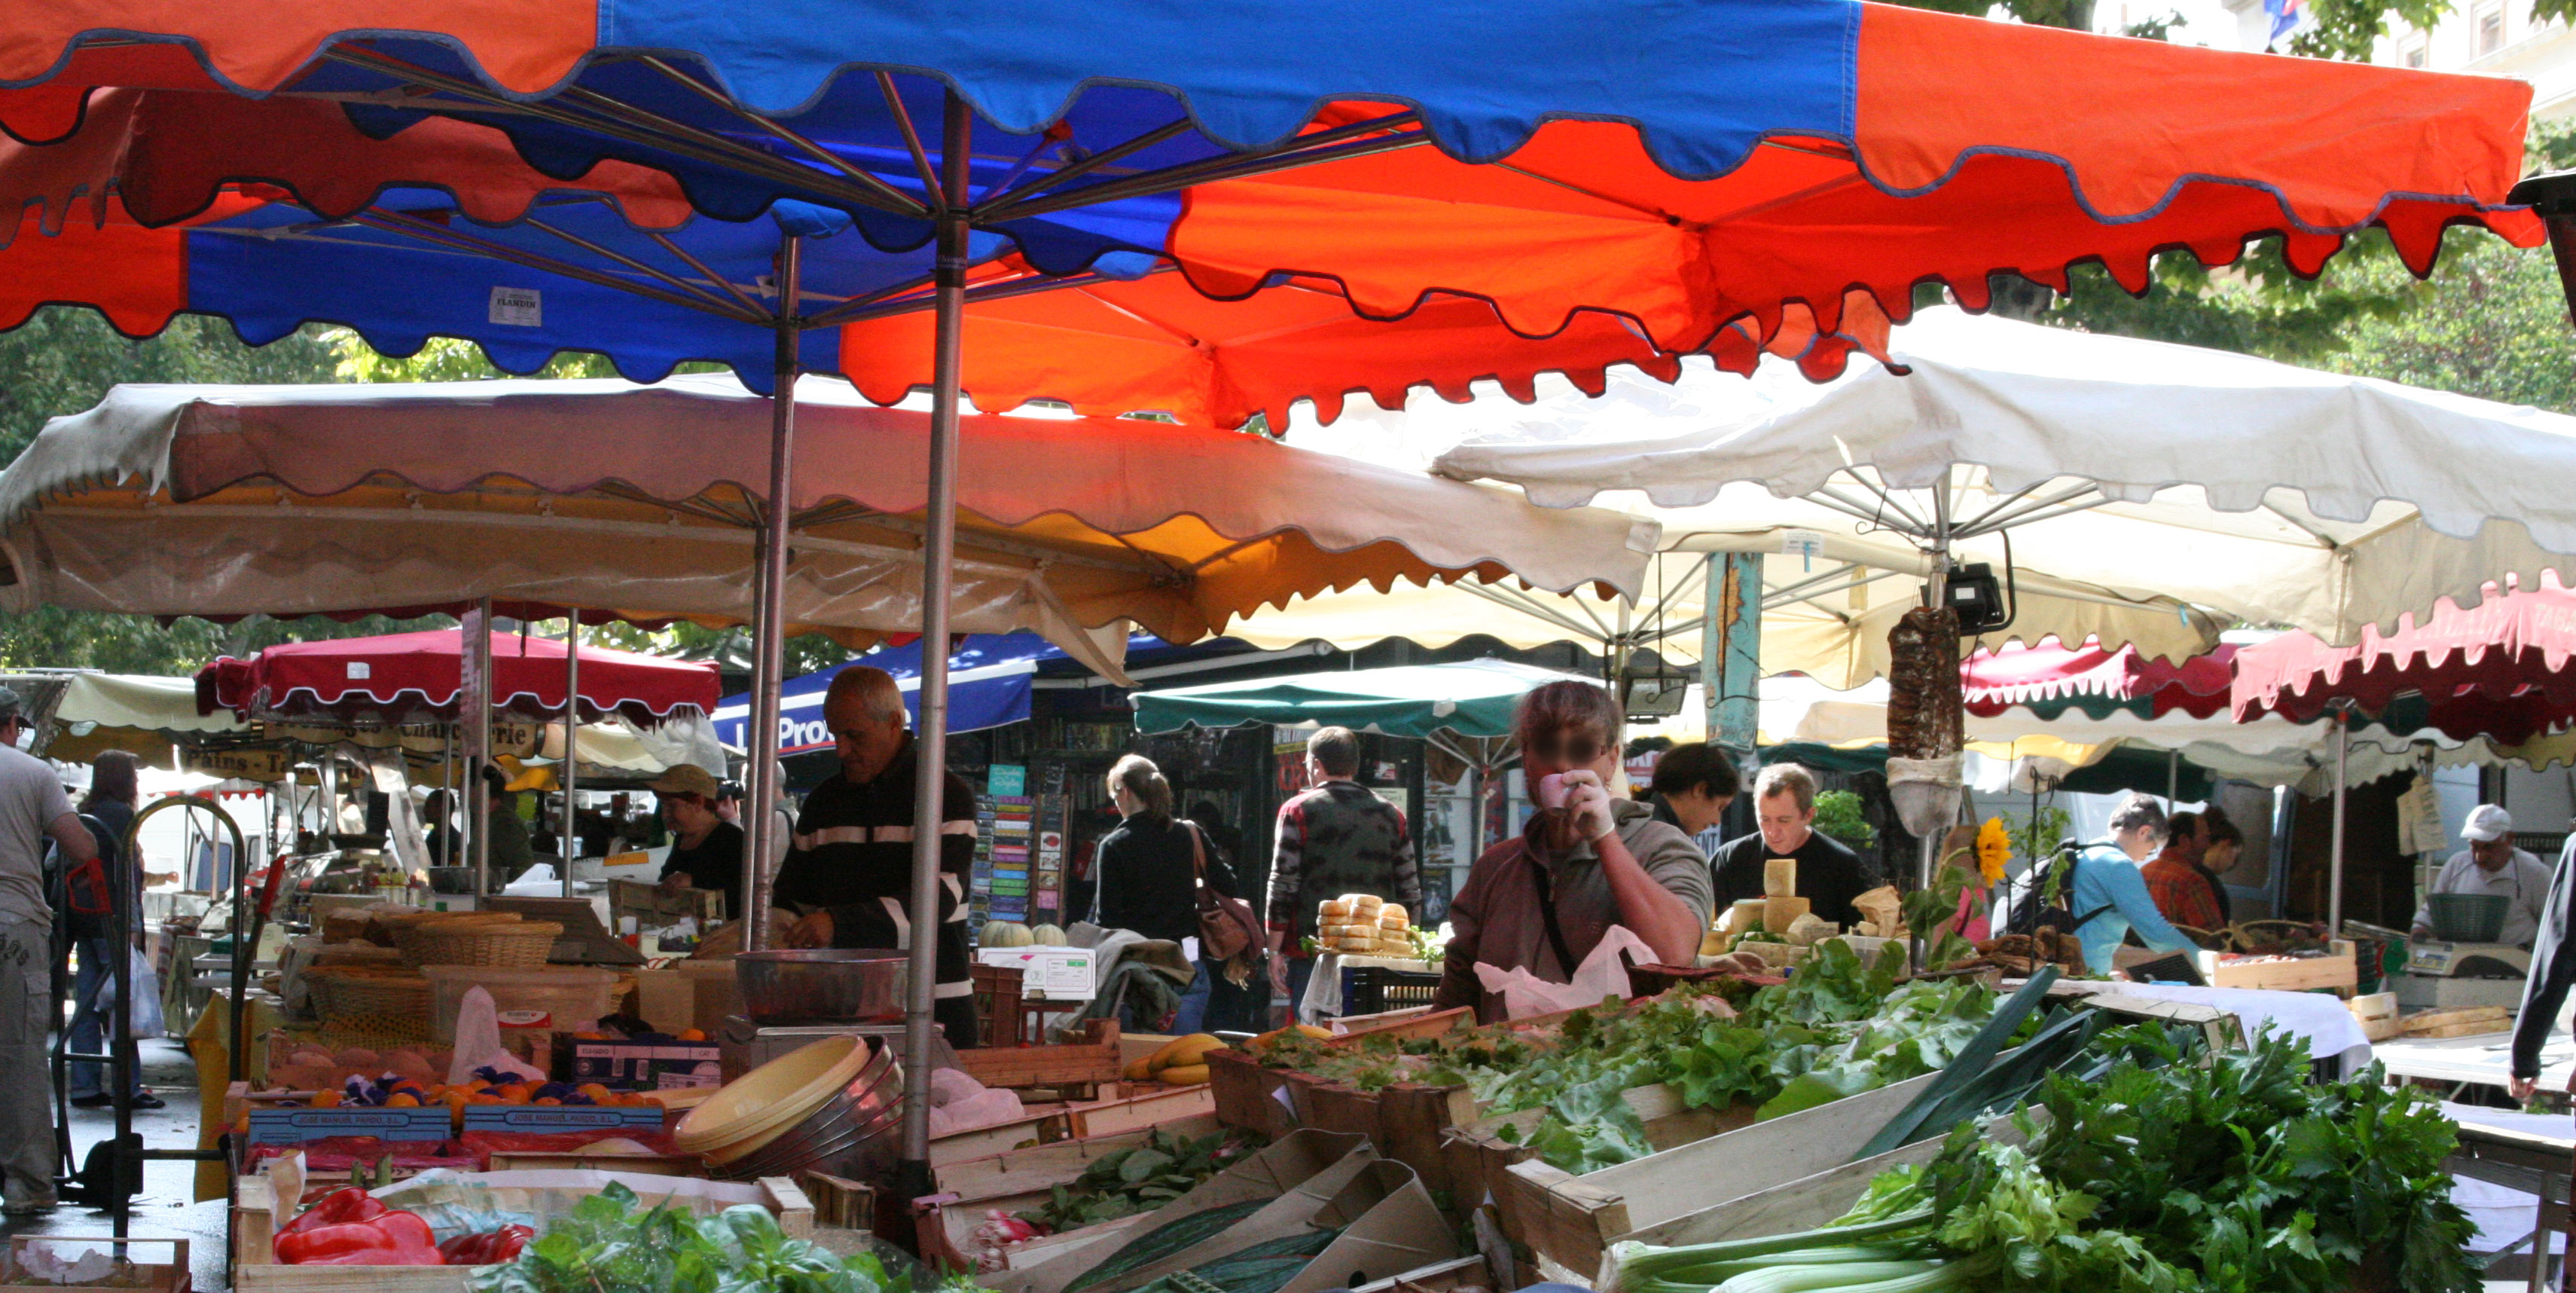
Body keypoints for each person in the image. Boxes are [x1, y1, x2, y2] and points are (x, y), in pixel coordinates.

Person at [1436, 681, 1709, 1022]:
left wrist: (1605, 837)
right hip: (1508, 1070)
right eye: (1547, 747)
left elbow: (1675, 955)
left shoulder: (1662, 847)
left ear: (1611, 760)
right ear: (1526, 757)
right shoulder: (1496, 867)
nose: (1563, 764)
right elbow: (1457, 1001)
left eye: (1581, 749)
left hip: (1619, 1071)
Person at [775, 668, 981, 1047]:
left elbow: (941, 896)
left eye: (854, 736)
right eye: (834, 735)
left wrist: (839, 923)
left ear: (894, 723)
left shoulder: (946, 795)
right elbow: (791, 896)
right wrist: (782, 924)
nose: (841, 750)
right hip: (837, 1010)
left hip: (933, 1008)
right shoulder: (823, 802)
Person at [0, 686, 99, 1214]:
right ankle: (29, 1184)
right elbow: (80, 846)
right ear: (13, 722)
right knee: (17, 1055)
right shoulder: (32, 774)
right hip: (13, 925)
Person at [1266, 727, 1419, 1009]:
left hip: (1314, 950)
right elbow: (1409, 887)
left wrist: (1273, 949)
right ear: (1354, 765)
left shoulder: (1297, 810)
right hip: (1375, 953)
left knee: (1315, 1034)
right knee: (1369, 1029)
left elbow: (1283, 884)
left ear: (1316, 764)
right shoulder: (1391, 813)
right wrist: (1408, 944)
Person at [1091, 756, 1241, 1031]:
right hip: (1188, 959)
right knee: (1182, 1057)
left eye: (1114, 796)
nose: (1116, 803)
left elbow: (1108, 921)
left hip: (1138, 969)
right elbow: (1228, 886)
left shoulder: (1114, 846)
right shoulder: (1189, 834)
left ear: (1124, 791)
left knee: (1137, 1060)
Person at [68, 750, 157, 1110]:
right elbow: (128, 877)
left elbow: (55, 860)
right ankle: (128, 1087)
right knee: (124, 1004)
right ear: (126, 780)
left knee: (87, 1005)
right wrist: (134, 926)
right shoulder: (123, 818)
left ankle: (84, 1087)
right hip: (113, 921)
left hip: (83, 919)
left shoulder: (82, 815)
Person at [1707, 764, 1876, 929]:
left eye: (1784, 821)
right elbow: (1706, 921)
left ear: (1809, 815)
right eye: (1764, 819)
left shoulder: (1843, 865)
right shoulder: (1730, 857)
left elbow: (1858, 934)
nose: (1773, 832)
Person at [2067, 793, 2200, 975]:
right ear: (2144, 832)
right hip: (2081, 975)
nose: (2145, 857)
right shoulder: (2118, 865)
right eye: (2152, 849)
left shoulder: (2084, 854)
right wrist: (2206, 961)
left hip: (2060, 968)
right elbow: (2157, 933)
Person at [2412, 804, 2551, 947]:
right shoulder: (2457, 865)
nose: (2480, 857)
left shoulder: (2534, 872)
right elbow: (2433, 910)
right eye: (2474, 847)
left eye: (2489, 847)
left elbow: (2553, 923)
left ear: (2509, 839)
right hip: (2463, 957)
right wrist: (2420, 928)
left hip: (2517, 959)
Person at [652, 763, 745, 919]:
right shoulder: (682, 838)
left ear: (698, 802)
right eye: (663, 806)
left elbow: (743, 889)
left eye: (672, 806)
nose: (665, 815)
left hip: (724, 935)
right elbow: (666, 879)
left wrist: (695, 881)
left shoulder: (731, 838)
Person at [1647, 741, 1739, 859]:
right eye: (1720, 807)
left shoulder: (1636, 821)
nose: (1717, 821)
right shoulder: (1665, 843)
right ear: (1700, 789)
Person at [2141, 810, 2225, 931]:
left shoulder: (2144, 871)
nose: (2209, 845)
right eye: (2205, 837)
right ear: (2184, 840)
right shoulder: (2191, 881)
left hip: (2140, 949)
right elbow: (2213, 937)